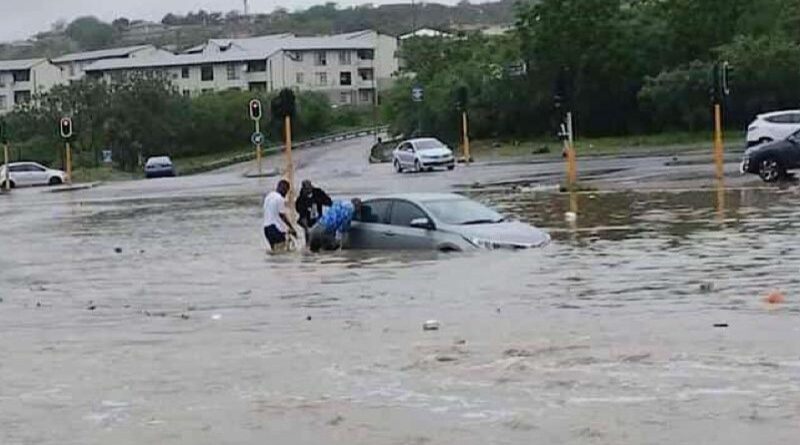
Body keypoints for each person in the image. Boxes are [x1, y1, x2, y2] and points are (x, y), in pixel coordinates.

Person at [263, 180, 297, 251]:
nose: (286, 193)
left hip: (266, 229)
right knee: (281, 253)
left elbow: (273, 215)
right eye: (286, 190)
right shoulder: (280, 199)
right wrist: (291, 228)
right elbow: (282, 216)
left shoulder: (269, 196)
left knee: (274, 251)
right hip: (275, 229)